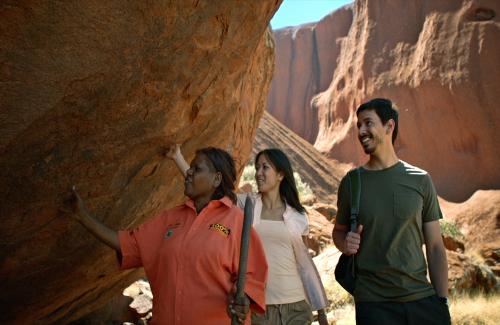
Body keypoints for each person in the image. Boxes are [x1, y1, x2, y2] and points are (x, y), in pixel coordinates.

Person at [63, 147, 268, 325]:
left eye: (197, 169)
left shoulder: (236, 221)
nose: (188, 172)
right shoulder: (171, 219)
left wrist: (244, 299)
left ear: (216, 179)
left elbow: (254, 276)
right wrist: (81, 215)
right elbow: (126, 243)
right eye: (190, 167)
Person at [168, 146, 329, 325]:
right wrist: (178, 157)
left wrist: (321, 310)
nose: (258, 173)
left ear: (280, 175)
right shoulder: (246, 205)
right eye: (257, 167)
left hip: (297, 307)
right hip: (259, 309)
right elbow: (208, 191)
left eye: (265, 167)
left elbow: (305, 265)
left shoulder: (298, 216)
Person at [332, 98, 451, 325]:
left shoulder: (420, 180)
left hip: (422, 301)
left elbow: (435, 246)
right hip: (374, 306)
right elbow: (338, 231)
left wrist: (442, 302)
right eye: (359, 125)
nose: (361, 131)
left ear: (389, 126)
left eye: (368, 123)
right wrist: (344, 243)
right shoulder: (352, 182)